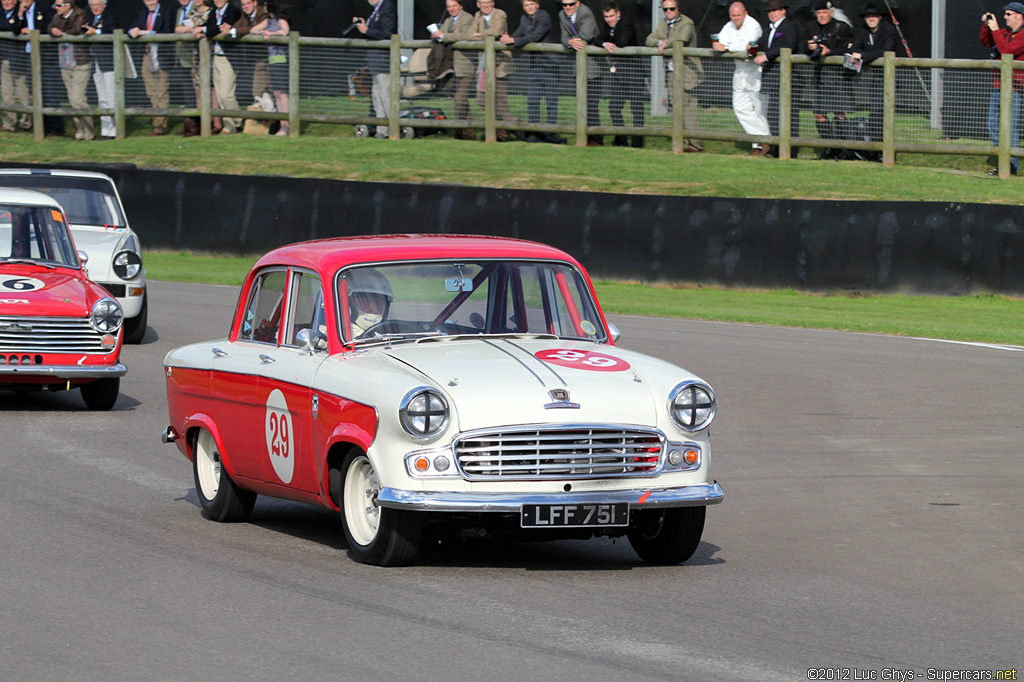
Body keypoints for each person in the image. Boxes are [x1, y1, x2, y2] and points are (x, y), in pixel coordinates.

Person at [500, 0, 562, 144]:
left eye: (531, 4)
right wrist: (507, 38)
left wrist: (513, 40)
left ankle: (550, 134)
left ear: (537, 4)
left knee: (551, 103)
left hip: (550, 65)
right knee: (533, 101)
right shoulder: (524, 18)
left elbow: (535, 37)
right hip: (535, 65)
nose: (529, 7)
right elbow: (519, 33)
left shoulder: (544, 17)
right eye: (526, 5)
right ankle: (534, 133)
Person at [712, 1, 770, 156]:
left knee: (757, 109)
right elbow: (719, 42)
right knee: (740, 108)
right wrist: (726, 46)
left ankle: (759, 145)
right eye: (733, 15)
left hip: (754, 71)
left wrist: (728, 47)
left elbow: (747, 46)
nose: (736, 18)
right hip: (739, 71)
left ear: (745, 13)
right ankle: (764, 140)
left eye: (738, 15)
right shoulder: (729, 25)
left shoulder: (753, 25)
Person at [646, 0, 703, 152]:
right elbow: (649, 39)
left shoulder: (687, 23)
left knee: (688, 109)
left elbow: (681, 39)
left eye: (671, 8)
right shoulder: (662, 23)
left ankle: (696, 144)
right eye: (665, 9)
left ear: (678, 9)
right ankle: (683, 143)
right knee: (676, 108)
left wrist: (665, 43)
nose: (668, 11)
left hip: (687, 73)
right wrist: (660, 42)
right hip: (671, 73)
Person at [845, 4, 896, 154]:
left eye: (873, 17)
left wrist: (863, 56)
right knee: (875, 113)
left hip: (889, 76)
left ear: (880, 18)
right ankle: (874, 148)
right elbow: (853, 48)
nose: (871, 19)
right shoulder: (863, 31)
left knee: (882, 112)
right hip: (875, 78)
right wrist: (857, 54)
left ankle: (884, 151)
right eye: (868, 17)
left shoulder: (888, 30)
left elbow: (887, 50)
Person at [980, 3, 1024, 175]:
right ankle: (1004, 162)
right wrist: (986, 26)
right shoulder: (1006, 33)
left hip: (1014, 88)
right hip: (998, 86)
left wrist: (996, 29)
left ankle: (1010, 165)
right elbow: (986, 41)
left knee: (1008, 126)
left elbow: (1007, 52)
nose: (1004, 17)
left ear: (1019, 16)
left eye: (1008, 14)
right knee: (993, 125)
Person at [753, 0, 800, 157]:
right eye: (769, 11)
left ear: (783, 11)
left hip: (789, 78)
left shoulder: (790, 27)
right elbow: (761, 44)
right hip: (771, 78)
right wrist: (751, 48)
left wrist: (766, 56)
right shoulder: (768, 29)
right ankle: (775, 147)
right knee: (772, 114)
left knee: (789, 115)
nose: (772, 13)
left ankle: (790, 151)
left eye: (775, 10)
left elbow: (788, 46)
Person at [806, 0, 852, 158]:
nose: (821, 16)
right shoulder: (812, 26)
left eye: (824, 12)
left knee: (839, 113)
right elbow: (804, 48)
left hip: (838, 76)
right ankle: (827, 148)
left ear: (831, 13)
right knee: (819, 113)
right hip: (820, 76)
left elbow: (848, 49)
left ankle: (840, 149)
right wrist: (811, 47)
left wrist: (829, 51)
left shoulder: (842, 27)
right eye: (819, 13)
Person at [597, 2, 643, 148]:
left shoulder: (626, 24)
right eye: (606, 17)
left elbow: (622, 42)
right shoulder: (607, 26)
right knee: (614, 107)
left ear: (618, 14)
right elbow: (597, 39)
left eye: (611, 16)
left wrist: (609, 43)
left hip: (634, 73)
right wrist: (605, 44)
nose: (609, 19)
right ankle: (621, 140)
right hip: (618, 73)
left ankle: (637, 143)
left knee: (636, 109)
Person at [470, 0, 514, 141]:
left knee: (500, 102)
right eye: (482, 2)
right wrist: (478, 34)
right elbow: (470, 33)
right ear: (478, 4)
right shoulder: (478, 15)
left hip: (500, 65)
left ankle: (506, 132)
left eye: (488, 2)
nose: (486, 5)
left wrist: (479, 34)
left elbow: (496, 32)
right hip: (484, 64)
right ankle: (511, 125)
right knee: (481, 100)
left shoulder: (500, 14)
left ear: (493, 3)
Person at [49, 0, 93, 140]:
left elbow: (77, 29)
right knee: (72, 100)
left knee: (78, 99)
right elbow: (50, 26)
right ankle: (80, 131)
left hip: (80, 62)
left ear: (68, 5)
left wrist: (60, 31)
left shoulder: (80, 13)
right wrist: (53, 30)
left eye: (59, 5)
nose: (56, 8)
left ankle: (89, 131)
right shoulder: (57, 16)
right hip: (65, 62)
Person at [129, 0, 174, 136]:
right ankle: (157, 124)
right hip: (147, 56)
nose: (150, 2)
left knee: (161, 91)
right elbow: (133, 28)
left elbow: (166, 32)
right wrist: (133, 31)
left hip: (161, 56)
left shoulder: (167, 11)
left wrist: (145, 32)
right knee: (151, 92)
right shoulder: (143, 13)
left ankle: (160, 127)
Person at [432, 0, 475, 140]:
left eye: (454, 6)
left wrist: (445, 36)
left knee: (460, 99)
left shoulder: (467, 18)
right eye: (449, 6)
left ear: (460, 6)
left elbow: (467, 36)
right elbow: (446, 36)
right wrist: (438, 35)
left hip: (465, 65)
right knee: (461, 100)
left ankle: (458, 131)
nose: (451, 9)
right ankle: (469, 133)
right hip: (450, 66)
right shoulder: (447, 21)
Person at [558, 0, 600, 146]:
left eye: (571, 4)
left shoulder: (586, 13)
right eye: (564, 5)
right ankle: (583, 137)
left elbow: (586, 35)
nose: (567, 7)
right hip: (577, 66)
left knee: (592, 104)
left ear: (578, 3)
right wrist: (570, 42)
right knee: (581, 103)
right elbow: (563, 38)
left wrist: (571, 41)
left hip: (594, 66)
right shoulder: (562, 15)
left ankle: (596, 139)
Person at [19, 0, 63, 136]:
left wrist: (32, 32)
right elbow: (14, 28)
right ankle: (43, 127)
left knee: (51, 92)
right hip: (29, 55)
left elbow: (50, 27)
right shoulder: (21, 10)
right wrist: (20, 13)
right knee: (36, 91)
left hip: (46, 55)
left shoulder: (45, 7)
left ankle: (56, 128)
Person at [199, 0, 242, 134]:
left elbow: (220, 29)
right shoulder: (214, 12)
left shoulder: (233, 10)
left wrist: (204, 30)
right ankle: (230, 126)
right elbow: (210, 27)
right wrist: (204, 30)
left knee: (226, 95)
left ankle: (239, 120)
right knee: (219, 95)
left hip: (228, 57)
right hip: (216, 56)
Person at [354, 0, 396, 139]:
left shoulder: (387, 6)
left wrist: (367, 30)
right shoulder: (376, 9)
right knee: (377, 97)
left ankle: (393, 129)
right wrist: (364, 26)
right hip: (374, 61)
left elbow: (386, 32)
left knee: (386, 96)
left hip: (383, 60)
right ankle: (381, 130)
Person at [250, 0, 289, 135]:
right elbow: (253, 29)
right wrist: (263, 32)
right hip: (272, 61)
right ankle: (281, 124)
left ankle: (287, 126)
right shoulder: (268, 21)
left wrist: (271, 34)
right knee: (276, 93)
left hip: (282, 61)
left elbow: (284, 32)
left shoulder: (281, 20)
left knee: (282, 93)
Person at [83, 0, 118, 140]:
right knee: (102, 96)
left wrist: (96, 32)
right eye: (92, 5)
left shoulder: (110, 16)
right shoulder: (89, 17)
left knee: (111, 96)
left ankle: (115, 130)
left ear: (104, 5)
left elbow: (112, 31)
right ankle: (105, 130)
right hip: (96, 60)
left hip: (109, 62)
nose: (95, 8)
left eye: (97, 5)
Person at [230, 0, 269, 103]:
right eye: (243, 4)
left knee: (273, 91)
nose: (246, 6)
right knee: (260, 92)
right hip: (258, 58)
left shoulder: (263, 13)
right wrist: (230, 29)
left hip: (271, 56)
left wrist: (235, 31)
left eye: (248, 3)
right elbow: (237, 28)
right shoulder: (245, 16)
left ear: (255, 2)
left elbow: (253, 29)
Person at [172, 0, 199, 136]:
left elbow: (197, 28)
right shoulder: (179, 11)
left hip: (194, 58)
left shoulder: (197, 8)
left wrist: (184, 29)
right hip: (180, 58)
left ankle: (196, 125)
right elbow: (177, 29)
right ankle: (189, 124)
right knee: (187, 93)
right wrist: (187, 29)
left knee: (196, 93)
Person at [1, 0, 28, 133]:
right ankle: (9, 124)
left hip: (18, 59)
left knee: (22, 92)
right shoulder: (1, 12)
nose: (6, 2)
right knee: (6, 93)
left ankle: (25, 123)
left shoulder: (21, 11)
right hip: (3, 58)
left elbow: (14, 29)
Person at [346, 268, 393, 339]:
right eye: (366, 302)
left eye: (379, 303)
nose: (374, 309)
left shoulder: (389, 335)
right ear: (349, 304)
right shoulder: (334, 337)